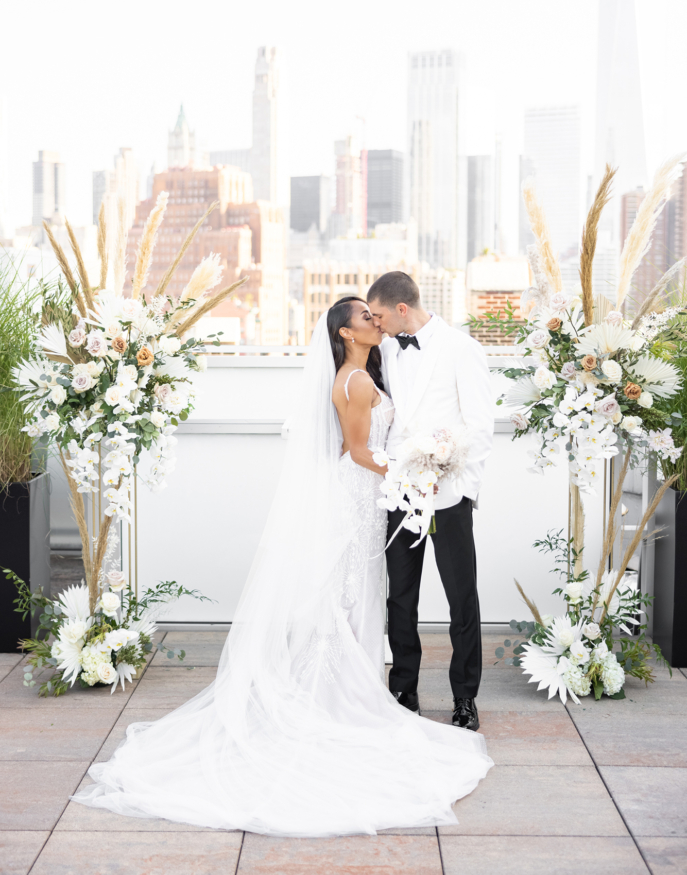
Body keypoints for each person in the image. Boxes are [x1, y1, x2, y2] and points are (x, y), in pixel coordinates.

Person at [72, 299, 492, 836]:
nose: (375, 322)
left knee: (357, 594)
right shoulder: (356, 380)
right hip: (365, 492)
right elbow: (358, 450)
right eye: (366, 317)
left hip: (374, 497)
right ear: (345, 331)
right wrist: (413, 465)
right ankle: (346, 694)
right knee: (353, 594)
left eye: (375, 313)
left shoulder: (367, 369)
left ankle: (361, 686)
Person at [367, 272, 494, 732]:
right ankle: (404, 688)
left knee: (462, 598)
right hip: (399, 492)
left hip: (449, 494)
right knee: (400, 595)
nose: (375, 324)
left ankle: (465, 697)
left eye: (378, 315)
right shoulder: (383, 350)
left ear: (402, 309)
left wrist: (464, 489)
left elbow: (480, 426)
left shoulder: (462, 348)